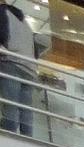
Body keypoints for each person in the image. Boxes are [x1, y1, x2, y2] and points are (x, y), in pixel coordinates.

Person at [0, 1, 35, 139]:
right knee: (25, 108)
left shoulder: (2, 12)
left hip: (12, 63)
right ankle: (28, 138)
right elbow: (35, 48)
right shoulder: (25, 22)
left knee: (11, 104)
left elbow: (2, 35)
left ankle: (9, 136)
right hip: (30, 68)